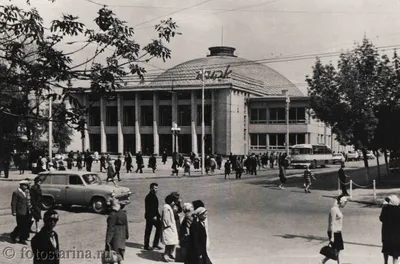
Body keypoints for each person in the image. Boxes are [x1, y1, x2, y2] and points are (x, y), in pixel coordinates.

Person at [321, 195, 348, 264]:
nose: (345, 204)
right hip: (333, 231)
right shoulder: (334, 209)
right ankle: (323, 261)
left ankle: (323, 261)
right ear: (340, 202)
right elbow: (331, 223)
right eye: (344, 202)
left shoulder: (337, 209)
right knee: (335, 250)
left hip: (338, 232)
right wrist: (332, 236)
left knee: (337, 250)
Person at [105, 198, 129, 264]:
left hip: (115, 238)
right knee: (120, 256)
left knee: (114, 257)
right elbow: (126, 225)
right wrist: (126, 235)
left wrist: (108, 241)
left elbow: (110, 229)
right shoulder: (123, 213)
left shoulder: (112, 215)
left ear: (113, 206)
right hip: (122, 237)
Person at [380, 195, 400, 264]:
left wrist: (384, 206)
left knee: (386, 250)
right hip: (396, 236)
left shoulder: (386, 209)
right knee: (396, 253)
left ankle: (385, 262)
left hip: (386, 234)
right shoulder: (398, 210)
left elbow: (381, 218)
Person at [10, 180, 31, 244]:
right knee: (20, 225)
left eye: (27, 185)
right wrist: (13, 211)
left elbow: (26, 201)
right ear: (21, 185)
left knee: (25, 225)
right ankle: (13, 235)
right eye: (25, 185)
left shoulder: (25, 192)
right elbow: (13, 202)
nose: (26, 187)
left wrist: (29, 209)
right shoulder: (16, 192)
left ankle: (22, 239)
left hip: (26, 211)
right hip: (20, 211)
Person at [161, 194, 179, 262]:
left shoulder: (168, 207)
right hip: (168, 229)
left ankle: (169, 254)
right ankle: (166, 255)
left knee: (172, 242)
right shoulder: (166, 208)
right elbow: (166, 219)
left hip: (170, 228)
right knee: (169, 243)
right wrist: (169, 225)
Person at [144, 183, 162, 251]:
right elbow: (149, 208)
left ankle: (155, 244)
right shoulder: (149, 197)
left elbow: (155, 208)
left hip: (154, 216)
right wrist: (153, 216)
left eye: (157, 188)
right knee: (148, 230)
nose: (156, 189)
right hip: (150, 216)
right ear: (151, 188)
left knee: (159, 227)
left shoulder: (153, 195)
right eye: (155, 188)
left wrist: (158, 215)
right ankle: (146, 245)